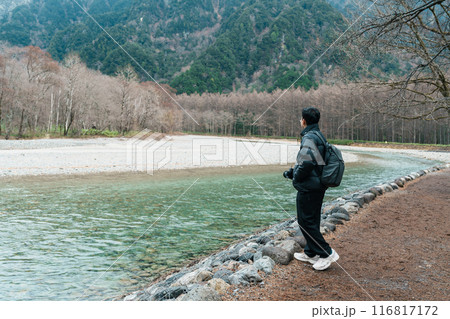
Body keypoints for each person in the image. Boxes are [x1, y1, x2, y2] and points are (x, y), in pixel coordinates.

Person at [283, 107, 339, 271]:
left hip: (309, 187)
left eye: (301, 119)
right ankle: (310, 252)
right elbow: (313, 161)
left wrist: (297, 176)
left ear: (304, 121)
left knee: (305, 221)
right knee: (312, 220)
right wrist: (293, 172)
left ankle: (326, 253)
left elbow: (307, 162)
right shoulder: (318, 135)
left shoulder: (309, 137)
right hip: (317, 185)